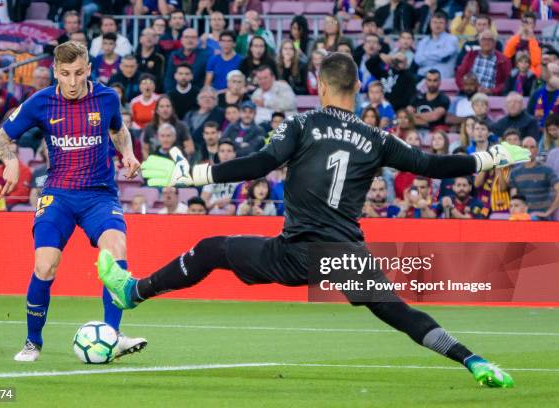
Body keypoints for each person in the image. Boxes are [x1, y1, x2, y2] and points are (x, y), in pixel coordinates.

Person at [101, 53, 530, 388]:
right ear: (358, 88)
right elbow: (434, 165)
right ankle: (472, 360)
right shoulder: (377, 137)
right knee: (399, 312)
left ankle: (133, 291)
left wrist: (196, 173)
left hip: (296, 253)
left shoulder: (303, 123)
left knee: (212, 249)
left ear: (321, 86)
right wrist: (489, 157)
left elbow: (263, 161)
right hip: (347, 256)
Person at [0, 41, 146, 362]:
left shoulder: (107, 98)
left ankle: (112, 336)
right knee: (45, 266)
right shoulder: (40, 102)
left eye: (78, 73)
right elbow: (0, 138)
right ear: (55, 73)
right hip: (58, 194)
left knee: (117, 251)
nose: (73, 82)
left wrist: (128, 152)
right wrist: (9, 160)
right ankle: (33, 342)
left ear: (89, 69)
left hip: (99, 195)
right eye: (65, 74)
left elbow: (119, 131)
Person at [509, 136, 559, 218]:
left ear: (537, 150)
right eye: (525, 147)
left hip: (541, 218)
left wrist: (548, 212)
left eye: (532, 147)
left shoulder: (547, 170)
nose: (528, 150)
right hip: (522, 218)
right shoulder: (515, 173)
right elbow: (514, 198)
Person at [456, 30, 511, 96]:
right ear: (479, 42)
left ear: (495, 43)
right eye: (483, 39)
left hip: (491, 96)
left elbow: (506, 83)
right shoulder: (470, 55)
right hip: (469, 93)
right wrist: (468, 89)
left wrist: (491, 91)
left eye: (490, 39)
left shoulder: (503, 60)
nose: (486, 42)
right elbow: (459, 76)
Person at [413, 11, 459, 79]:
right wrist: (437, 58)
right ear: (430, 24)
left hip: (442, 78)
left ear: (446, 25)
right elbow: (418, 60)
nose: (437, 25)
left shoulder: (452, 39)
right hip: (422, 75)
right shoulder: (423, 41)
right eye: (435, 22)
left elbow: (444, 56)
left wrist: (425, 56)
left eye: (441, 23)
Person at [201, 138, 239, 215]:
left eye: (229, 151)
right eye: (222, 151)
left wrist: (228, 201)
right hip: (212, 210)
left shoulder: (242, 174)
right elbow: (204, 198)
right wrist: (212, 205)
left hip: (233, 210)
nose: (225, 154)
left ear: (234, 154)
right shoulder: (211, 173)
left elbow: (242, 197)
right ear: (218, 154)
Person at [0, 143, 32, 208]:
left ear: (18, 154)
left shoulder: (25, 171)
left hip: (15, 205)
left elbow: (22, 194)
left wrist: (2, 201)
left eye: (13, 152)